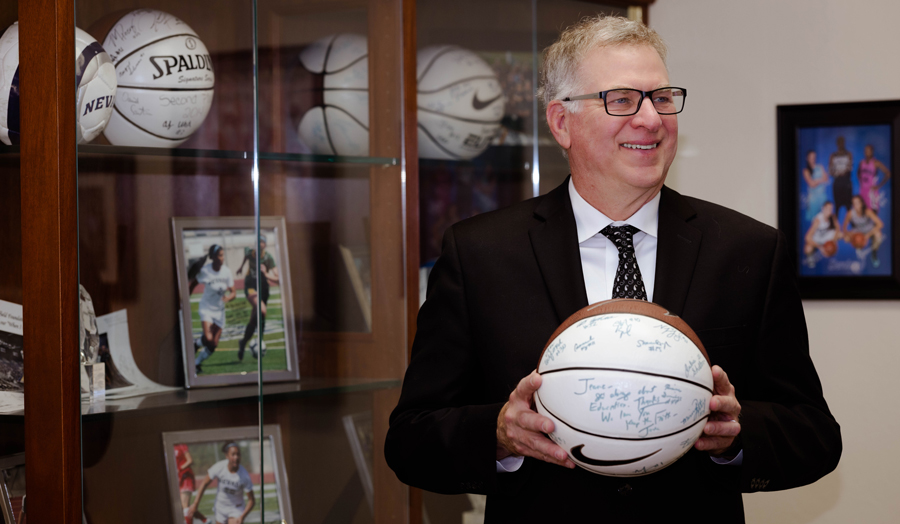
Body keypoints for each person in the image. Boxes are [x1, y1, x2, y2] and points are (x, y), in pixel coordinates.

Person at [385, 15, 841, 522]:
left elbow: (815, 436)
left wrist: (738, 434)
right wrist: (497, 433)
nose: (650, 119)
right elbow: (410, 439)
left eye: (662, 97)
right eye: (621, 100)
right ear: (561, 123)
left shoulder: (749, 250)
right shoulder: (479, 254)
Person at [190, 245, 236, 373]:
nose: (222, 258)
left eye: (222, 255)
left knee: (213, 345)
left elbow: (233, 292)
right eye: (219, 255)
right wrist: (184, 299)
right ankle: (196, 344)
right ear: (213, 257)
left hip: (220, 312)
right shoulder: (205, 271)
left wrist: (228, 298)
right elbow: (192, 284)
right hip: (206, 309)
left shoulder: (226, 271)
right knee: (209, 338)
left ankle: (196, 361)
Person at [235, 235, 280, 360]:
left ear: (265, 245)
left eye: (262, 242)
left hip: (264, 289)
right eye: (258, 242)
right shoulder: (251, 253)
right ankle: (258, 342)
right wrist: (241, 267)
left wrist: (266, 274)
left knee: (255, 320)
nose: (260, 244)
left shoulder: (268, 258)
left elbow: (278, 280)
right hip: (251, 286)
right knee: (262, 310)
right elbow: (246, 255)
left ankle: (243, 342)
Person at [187, 443, 255, 524]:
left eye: (238, 454)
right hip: (221, 507)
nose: (236, 457)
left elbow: (251, 500)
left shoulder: (244, 476)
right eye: (233, 454)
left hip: (236, 509)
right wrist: (195, 504)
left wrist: (242, 517)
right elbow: (204, 484)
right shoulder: (219, 467)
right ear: (227, 456)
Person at [842, 194, 884, 266]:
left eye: (858, 202)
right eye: (854, 203)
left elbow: (880, 224)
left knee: (878, 236)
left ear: (862, 203)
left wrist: (868, 235)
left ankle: (874, 253)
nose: (856, 205)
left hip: (868, 230)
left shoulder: (867, 211)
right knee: (846, 239)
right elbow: (844, 227)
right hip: (857, 230)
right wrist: (849, 234)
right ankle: (858, 245)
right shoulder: (850, 213)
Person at [175, 443, 209, 524]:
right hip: (179, 478)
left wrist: (179, 469)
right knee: (181, 506)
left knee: (184, 506)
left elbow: (190, 460)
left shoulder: (181, 445)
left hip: (186, 476)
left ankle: (204, 520)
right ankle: (205, 520)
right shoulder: (170, 446)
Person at [803, 201, 841, 266]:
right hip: (818, 239)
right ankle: (810, 258)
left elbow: (838, 228)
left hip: (827, 237)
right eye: (827, 208)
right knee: (808, 248)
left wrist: (834, 241)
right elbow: (807, 237)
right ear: (823, 208)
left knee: (841, 235)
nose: (829, 211)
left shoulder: (832, 217)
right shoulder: (817, 220)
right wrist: (820, 247)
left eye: (831, 209)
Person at [857, 144, 891, 211]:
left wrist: (878, 186)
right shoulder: (861, 163)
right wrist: (861, 182)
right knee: (862, 212)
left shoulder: (876, 163)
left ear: (872, 152)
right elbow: (858, 173)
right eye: (865, 151)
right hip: (862, 191)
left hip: (871, 192)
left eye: (868, 151)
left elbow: (888, 173)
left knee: (873, 213)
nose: (867, 152)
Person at [829, 136, 853, 218]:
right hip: (837, 183)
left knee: (848, 207)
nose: (841, 144)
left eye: (842, 142)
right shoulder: (833, 155)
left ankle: (853, 228)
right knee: (837, 207)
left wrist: (843, 172)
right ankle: (836, 229)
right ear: (837, 144)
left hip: (846, 182)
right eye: (839, 142)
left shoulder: (848, 154)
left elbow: (850, 167)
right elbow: (830, 170)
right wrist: (836, 173)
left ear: (844, 143)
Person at [802, 149, 829, 223]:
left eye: (814, 157)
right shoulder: (806, 170)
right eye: (811, 157)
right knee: (814, 221)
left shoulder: (820, 167)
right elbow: (811, 184)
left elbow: (826, 179)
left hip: (822, 197)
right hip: (813, 199)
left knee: (825, 219)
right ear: (807, 158)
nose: (813, 159)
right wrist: (820, 180)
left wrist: (816, 181)